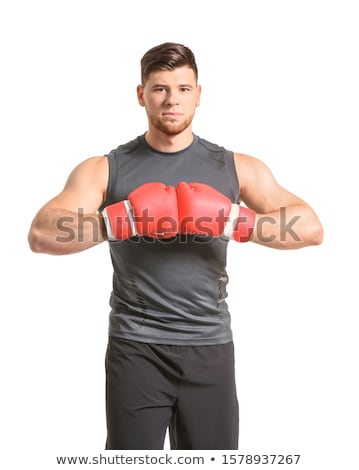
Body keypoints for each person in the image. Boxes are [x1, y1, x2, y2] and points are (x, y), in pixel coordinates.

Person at [28, 42, 323, 450]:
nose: (172, 100)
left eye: (183, 89)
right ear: (141, 94)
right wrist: (124, 219)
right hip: (136, 348)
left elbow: (310, 228)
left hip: (210, 346)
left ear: (199, 95)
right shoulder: (106, 168)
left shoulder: (234, 166)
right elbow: (42, 234)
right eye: (160, 88)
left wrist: (233, 219)